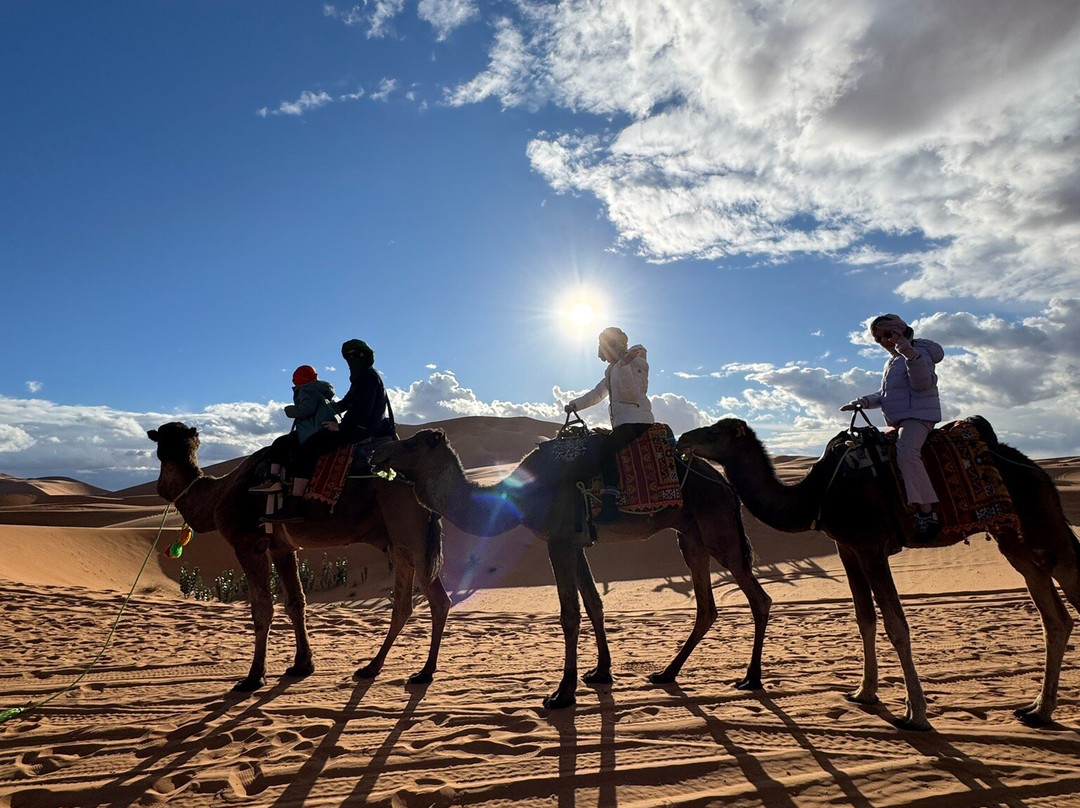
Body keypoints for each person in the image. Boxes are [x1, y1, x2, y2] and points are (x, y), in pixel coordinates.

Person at [841, 313, 945, 542]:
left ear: (900, 331)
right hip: (901, 421)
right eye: (878, 339)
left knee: (907, 451)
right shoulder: (893, 361)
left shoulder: (919, 353)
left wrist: (909, 353)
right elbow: (886, 395)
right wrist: (863, 402)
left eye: (888, 335)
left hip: (918, 418)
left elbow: (922, 385)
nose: (884, 341)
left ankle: (927, 513)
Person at [265, 339, 395, 523]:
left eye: (351, 358)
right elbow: (349, 400)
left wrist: (341, 426)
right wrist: (330, 409)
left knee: (307, 449)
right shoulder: (365, 376)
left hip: (360, 430)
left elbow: (361, 410)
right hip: (361, 426)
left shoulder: (367, 378)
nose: (349, 363)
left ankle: (295, 505)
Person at [564, 326, 654, 523]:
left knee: (606, 449)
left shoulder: (637, 362)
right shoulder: (611, 370)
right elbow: (597, 394)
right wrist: (575, 405)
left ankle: (611, 503)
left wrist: (624, 365)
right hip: (623, 423)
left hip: (637, 421)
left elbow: (634, 395)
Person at [251, 364, 338, 494]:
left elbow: (307, 409)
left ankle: (273, 480)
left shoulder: (307, 389)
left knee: (280, 443)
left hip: (311, 430)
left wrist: (290, 410)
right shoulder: (323, 390)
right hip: (320, 428)